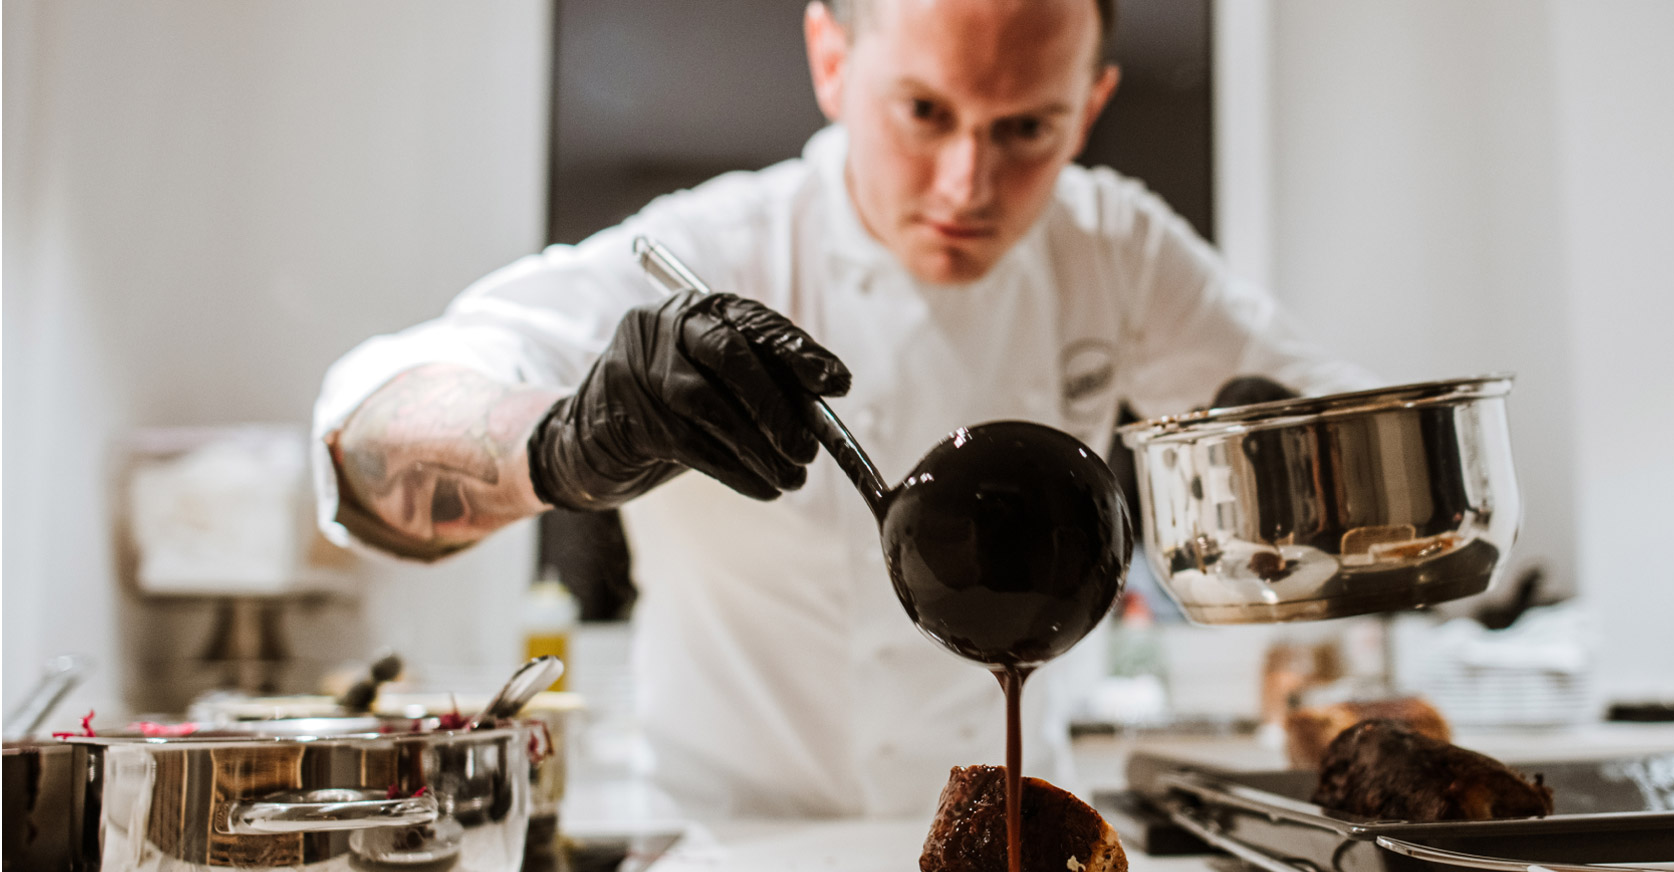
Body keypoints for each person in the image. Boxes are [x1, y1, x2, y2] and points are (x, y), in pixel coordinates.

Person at [314, 0, 1375, 817]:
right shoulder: (717, 248)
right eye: (924, 113)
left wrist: (1278, 457)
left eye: (1026, 129)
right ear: (830, 58)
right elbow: (366, 445)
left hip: (1018, 848)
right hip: (730, 857)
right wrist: (567, 444)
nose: (967, 182)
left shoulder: (1113, 248)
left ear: (1088, 105)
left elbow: (1339, 447)